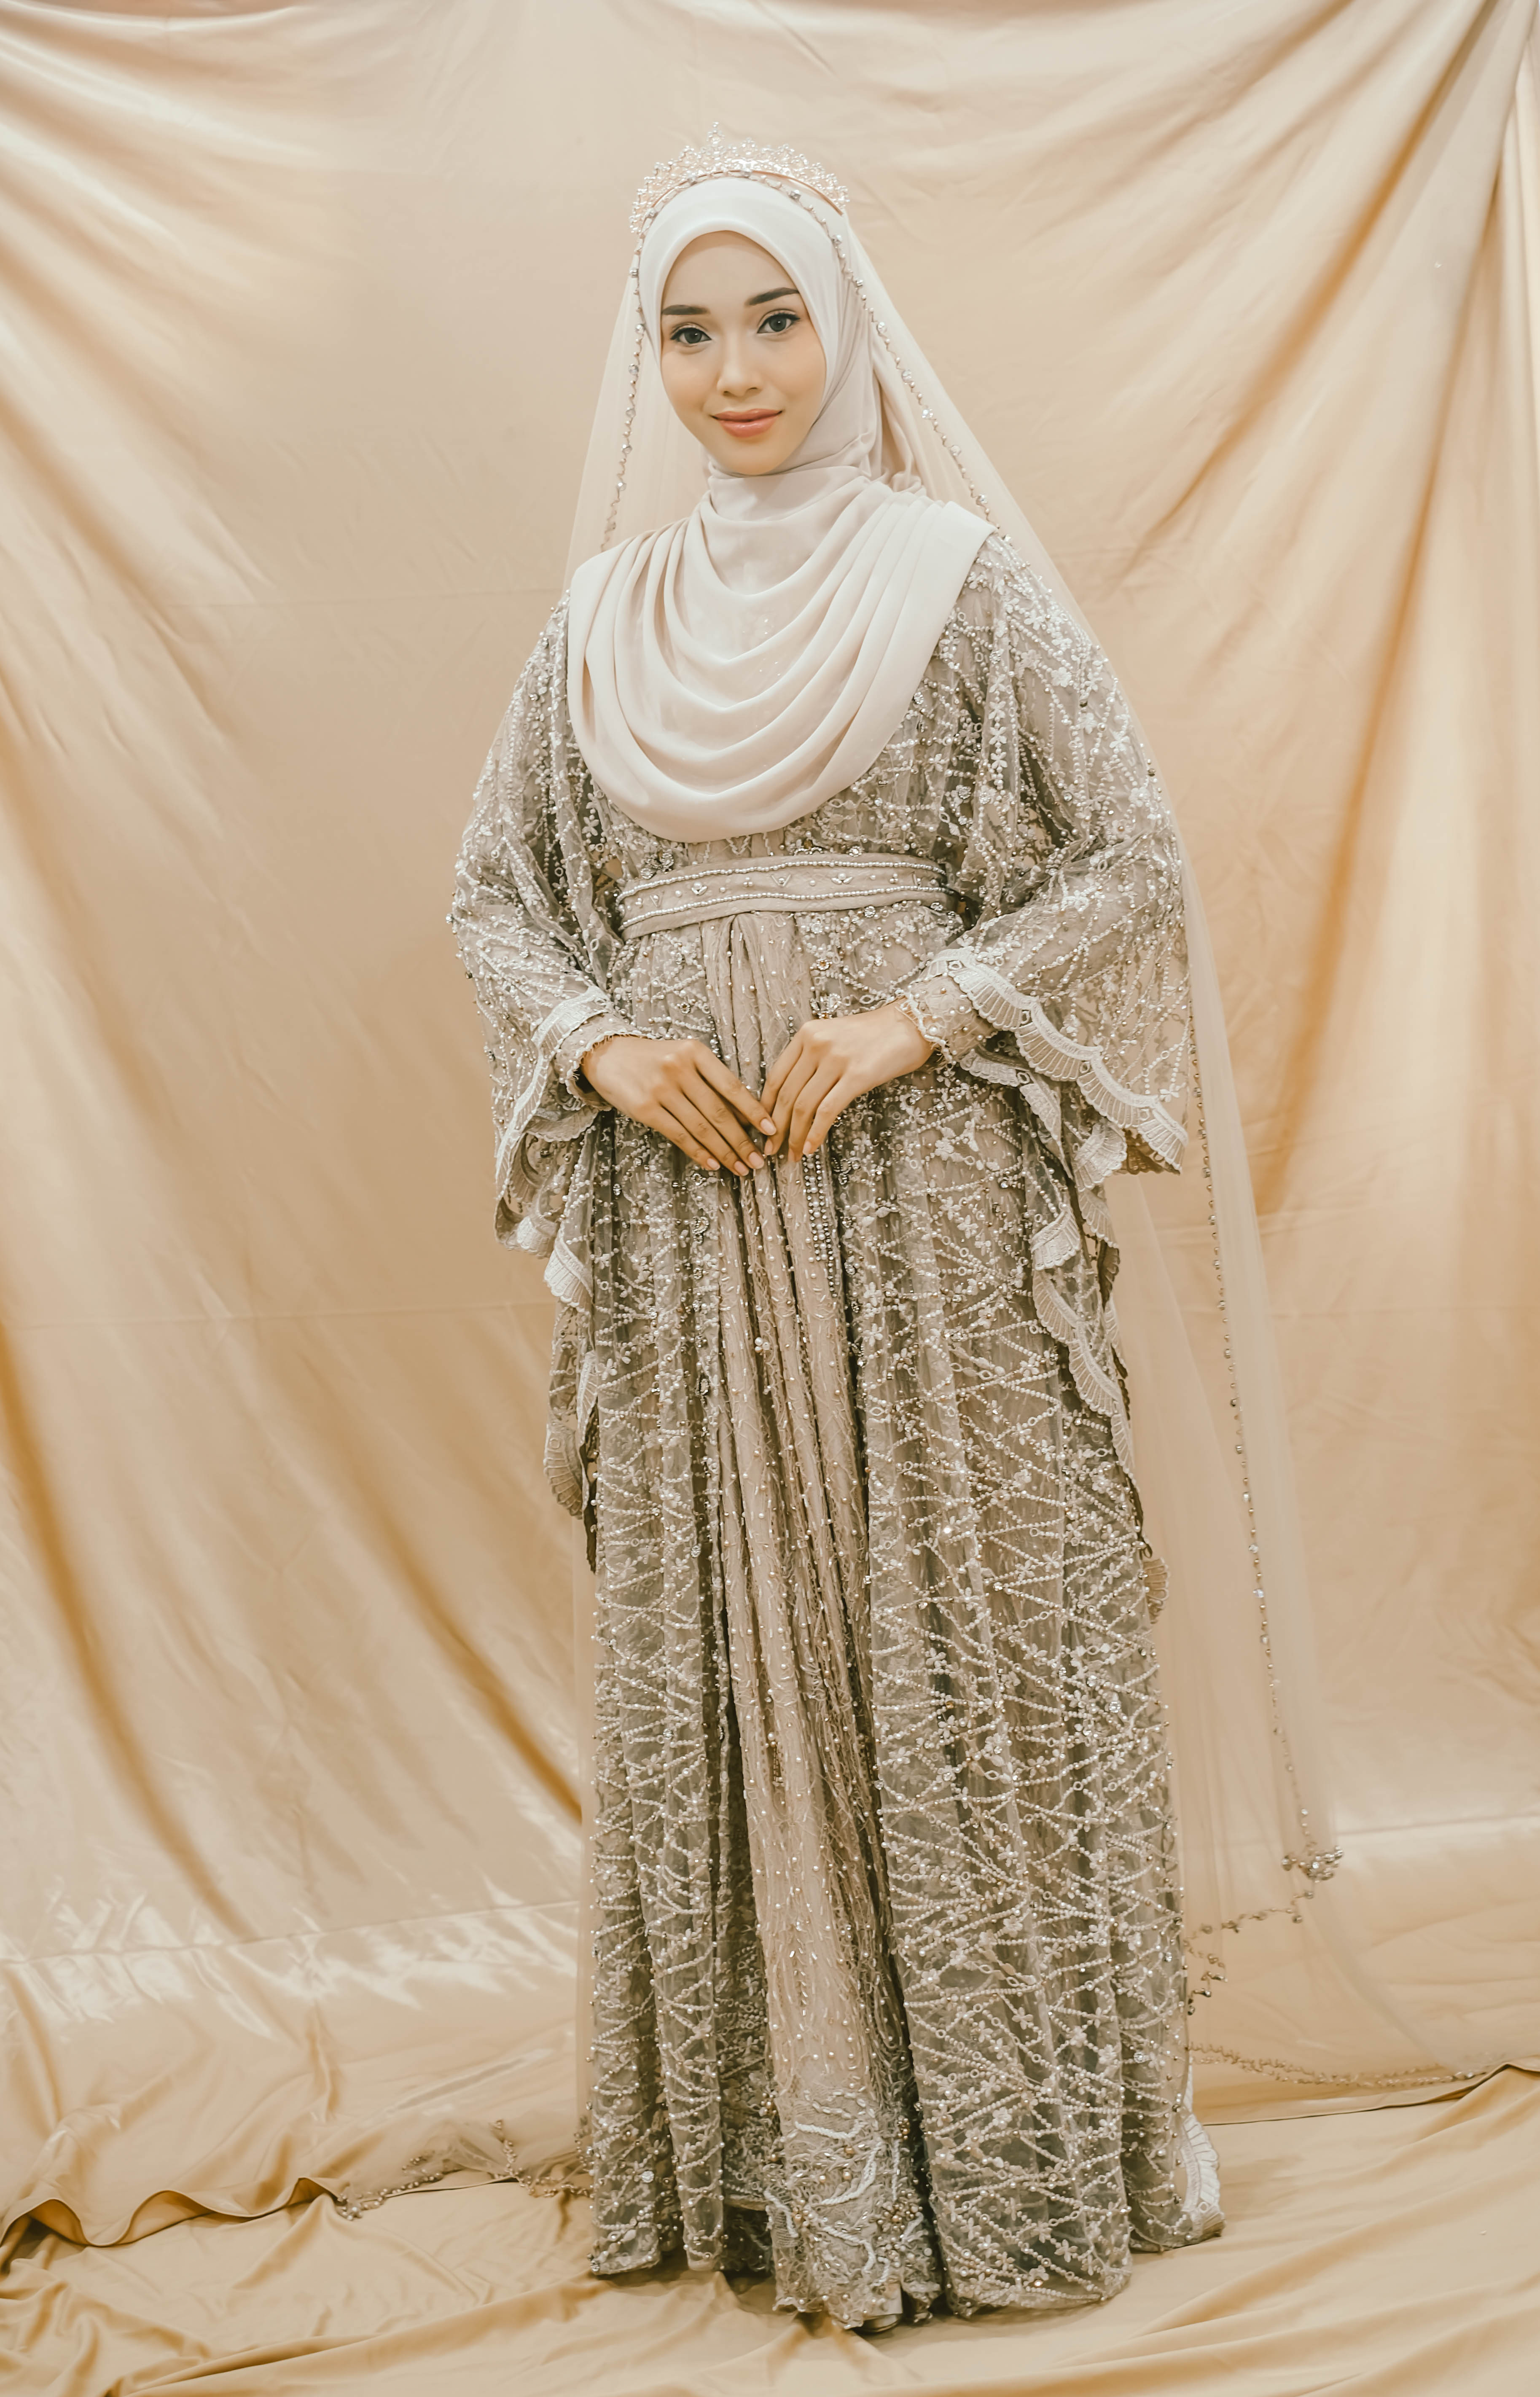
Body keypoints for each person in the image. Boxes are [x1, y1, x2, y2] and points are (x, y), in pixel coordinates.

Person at [452, 133, 1222, 2332]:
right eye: (689, 331)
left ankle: (1016, 2153)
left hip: (922, 1201)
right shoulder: (601, 626)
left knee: (961, 1624)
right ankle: (797, 2171)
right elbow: (496, 892)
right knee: (739, 1633)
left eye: (775, 318)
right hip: (699, 1217)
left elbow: (1129, 852)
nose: (737, 372)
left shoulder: (953, 580)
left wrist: (921, 1016)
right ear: (651, 357)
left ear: (844, 325)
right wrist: (601, 1045)